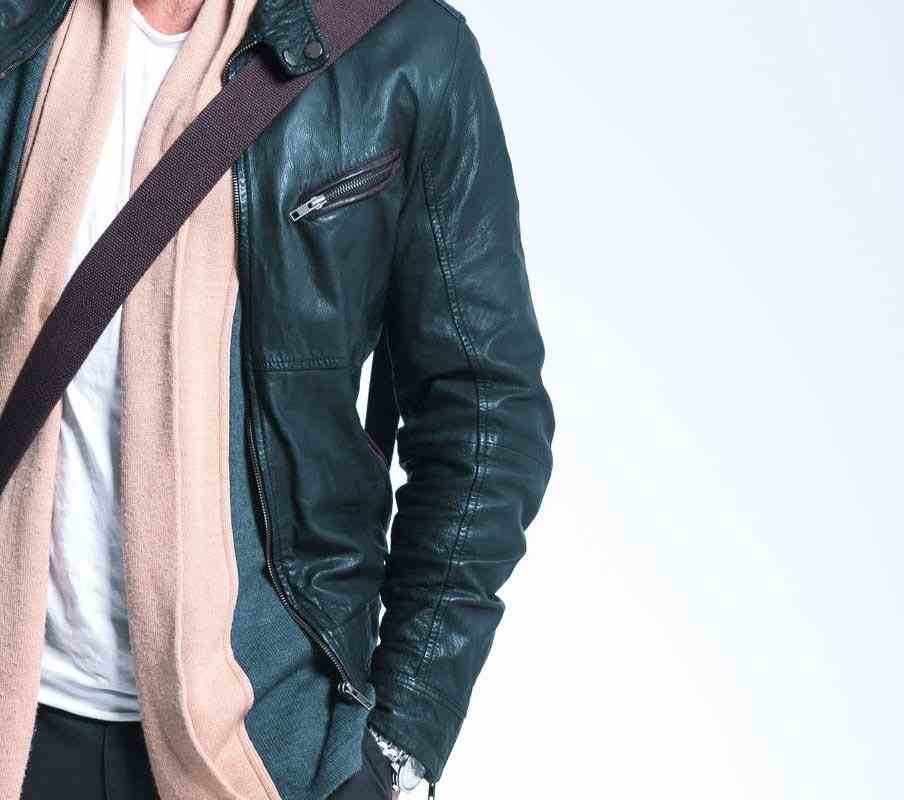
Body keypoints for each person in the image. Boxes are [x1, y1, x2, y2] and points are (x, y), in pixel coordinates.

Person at [0, 0, 554, 797]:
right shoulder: (20, 32)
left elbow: (483, 409)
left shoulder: (401, 49)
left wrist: (398, 744)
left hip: (264, 737)